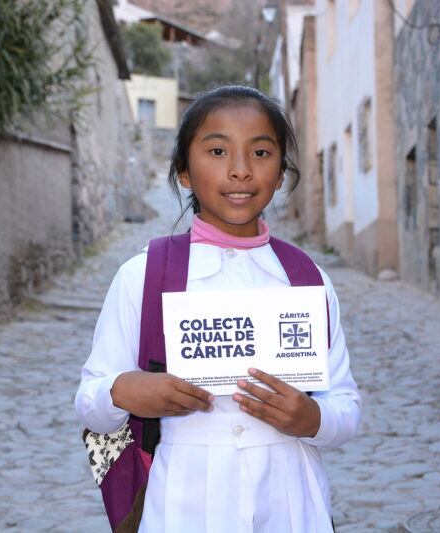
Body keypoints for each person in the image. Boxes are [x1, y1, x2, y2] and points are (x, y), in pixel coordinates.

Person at [75, 85, 360, 532]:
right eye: (217, 151)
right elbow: (90, 400)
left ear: (282, 173)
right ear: (184, 172)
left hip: (289, 503)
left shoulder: (308, 280)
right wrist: (126, 391)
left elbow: (345, 403)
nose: (241, 171)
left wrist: (313, 418)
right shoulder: (143, 276)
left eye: (261, 152)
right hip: (182, 503)